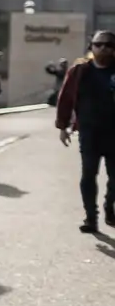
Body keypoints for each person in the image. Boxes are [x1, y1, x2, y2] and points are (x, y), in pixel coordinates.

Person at [56, 30, 115, 234]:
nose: (103, 48)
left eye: (109, 45)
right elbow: (65, 98)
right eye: (99, 44)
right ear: (91, 47)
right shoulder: (80, 71)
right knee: (89, 174)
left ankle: (110, 206)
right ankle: (91, 217)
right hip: (89, 132)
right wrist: (63, 126)